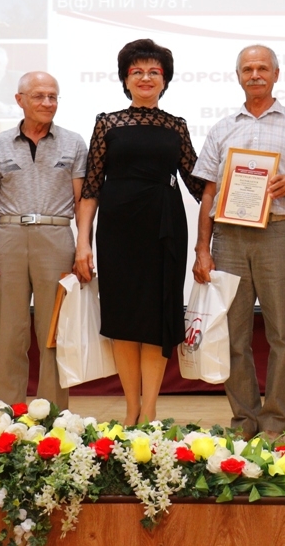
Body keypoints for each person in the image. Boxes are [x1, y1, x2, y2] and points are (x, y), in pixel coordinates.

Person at [191, 44, 285, 440]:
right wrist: (201, 247)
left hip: (280, 232)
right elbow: (209, 193)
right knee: (234, 333)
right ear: (238, 76)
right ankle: (244, 419)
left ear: (276, 74)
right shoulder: (222, 127)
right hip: (228, 237)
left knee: (283, 333)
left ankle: (275, 421)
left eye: (262, 68)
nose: (255, 74)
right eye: (247, 68)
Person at [74, 39, 203, 425]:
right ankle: (131, 409)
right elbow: (92, 187)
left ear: (164, 80)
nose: (146, 77)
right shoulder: (108, 123)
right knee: (124, 319)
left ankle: (150, 410)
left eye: (154, 71)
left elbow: (198, 183)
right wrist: (83, 242)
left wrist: (244, 198)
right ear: (125, 79)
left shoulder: (176, 126)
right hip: (117, 230)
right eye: (137, 71)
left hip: (164, 230)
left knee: (156, 319)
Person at [0, 71, 87, 411]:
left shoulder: (73, 142)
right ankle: (9, 414)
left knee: (53, 332)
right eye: (39, 96)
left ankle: (53, 416)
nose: (47, 103)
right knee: (10, 332)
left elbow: (83, 200)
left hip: (56, 237)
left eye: (53, 96)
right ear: (20, 100)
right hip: (8, 237)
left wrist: (84, 244)